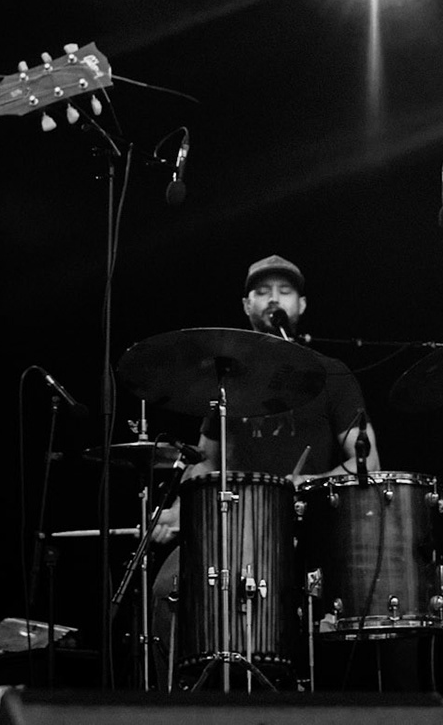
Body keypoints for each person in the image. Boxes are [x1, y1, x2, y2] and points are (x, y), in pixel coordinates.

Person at [148, 255, 380, 683]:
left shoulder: (332, 374)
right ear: (246, 305)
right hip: (231, 527)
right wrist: (181, 509)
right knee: (168, 587)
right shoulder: (226, 379)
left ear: (301, 305)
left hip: (305, 526)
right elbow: (206, 461)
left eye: (284, 291)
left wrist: (307, 484)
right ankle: (180, 702)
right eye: (262, 291)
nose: (274, 299)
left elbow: (365, 463)